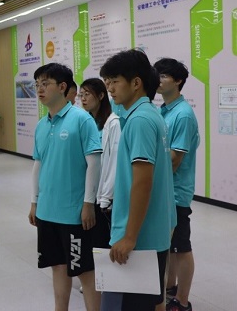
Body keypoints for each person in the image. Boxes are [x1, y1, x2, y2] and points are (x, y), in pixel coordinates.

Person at [99, 50, 176, 311]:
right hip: (152, 233)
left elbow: (143, 182)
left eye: (115, 81)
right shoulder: (149, 114)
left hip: (140, 240)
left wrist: (129, 237)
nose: (110, 88)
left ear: (136, 82)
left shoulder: (140, 120)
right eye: (107, 82)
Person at [27, 63, 102, 311]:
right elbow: (38, 165)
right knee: (57, 266)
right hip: (47, 211)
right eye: (37, 84)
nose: (39, 89)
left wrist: (88, 203)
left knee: (85, 271)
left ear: (62, 87)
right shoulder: (42, 125)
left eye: (45, 83)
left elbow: (94, 163)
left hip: (73, 213)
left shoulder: (81, 119)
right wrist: (34, 201)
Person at [153, 58, 199, 311]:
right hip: (165, 190)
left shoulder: (182, 114)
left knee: (181, 247)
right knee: (169, 245)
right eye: (156, 75)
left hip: (176, 192)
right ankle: (170, 286)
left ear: (178, 81)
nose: (158, 80)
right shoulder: (164, 110)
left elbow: (174, 160)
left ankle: (182, 301)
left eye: (164, 76)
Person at [79, 78, 121, 249]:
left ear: (101, 96)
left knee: (101, 244)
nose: (83, 98)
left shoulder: (113, 123)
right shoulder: (86, 122)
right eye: (81, 95)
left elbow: (114, 164)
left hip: (103, 197)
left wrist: (106, 199)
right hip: (86, 191)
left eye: (87, 94)